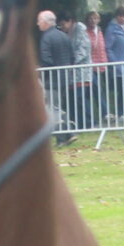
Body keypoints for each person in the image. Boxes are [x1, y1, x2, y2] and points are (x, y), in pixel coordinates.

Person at [36, 10, 82, 145]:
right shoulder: (64, 35)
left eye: (39, 21)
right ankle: (67, 135)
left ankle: (65, 136)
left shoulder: (46, 37)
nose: (38, 24)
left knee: (53, 108)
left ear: (45, 22)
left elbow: (46, 59)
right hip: (65, 77)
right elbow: (72, 56)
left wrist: (42, 71)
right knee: (57, 107)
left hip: (52, 78)